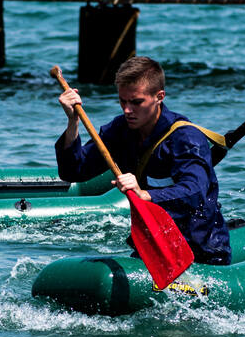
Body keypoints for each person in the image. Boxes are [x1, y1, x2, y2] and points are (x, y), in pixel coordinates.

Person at [56, 56, 231, 265]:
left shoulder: (186, 139)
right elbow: (74, 171)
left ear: (159, 96)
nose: (127, 110)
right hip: (151, 248)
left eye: (137, 102)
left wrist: (144, 194)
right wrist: (73, 122)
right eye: (123, 101)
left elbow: (195, 193)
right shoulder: (119, 130)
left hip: (201, 250)